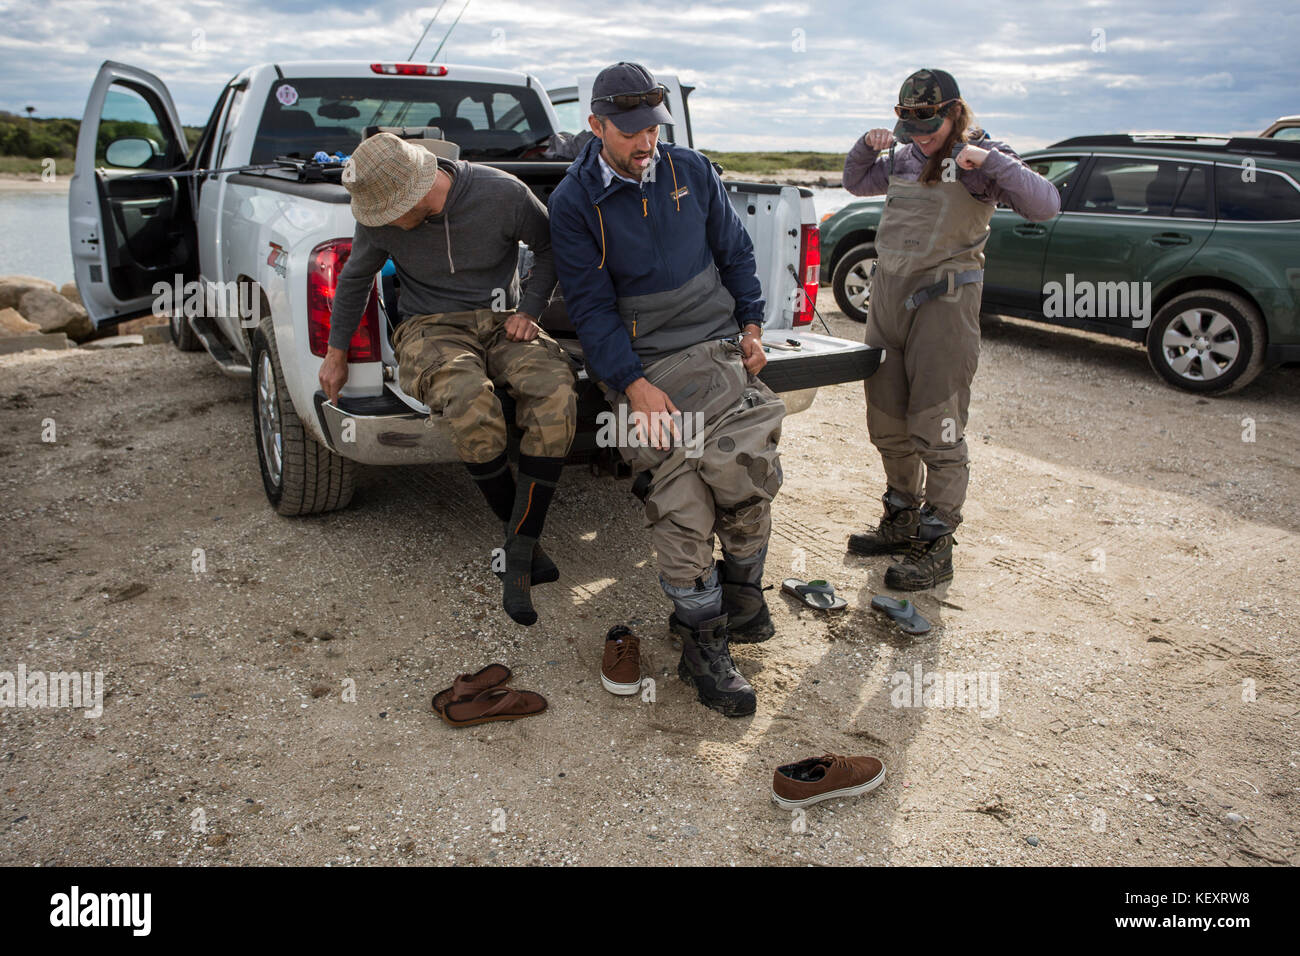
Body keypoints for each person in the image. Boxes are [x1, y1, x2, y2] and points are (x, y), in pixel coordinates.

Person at [548, 62, 784, 717]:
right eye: (628, 131)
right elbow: (592, 310)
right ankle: (703, 643)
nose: (644, 142)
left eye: (652, 127)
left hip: (716, 348)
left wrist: (753, 323)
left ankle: (738, 605)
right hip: (642, 363)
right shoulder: (573, 204)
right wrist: (632, 385)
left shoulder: (693, 170)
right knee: (682, 501)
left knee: (744, 470)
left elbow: (736, 253)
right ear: (595, 126)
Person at [320, 132, 577, 626]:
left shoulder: (502, 192)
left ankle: (518, 549)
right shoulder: (379, 215)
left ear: (417, 192)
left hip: (504, 318)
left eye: (390, 215)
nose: (383, 226)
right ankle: (523, 544)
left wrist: (530, 308)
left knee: (556, 390)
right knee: (467, 398)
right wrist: (336, 354)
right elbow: (355, 278)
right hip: (429, 326)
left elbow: (550, 249)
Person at [842, 69, 1059, 589]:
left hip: (945, 301)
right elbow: (855, 181)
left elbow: (1046, 205)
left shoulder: (981, 157)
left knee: (936, 423)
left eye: (930, 126)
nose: (920, 137)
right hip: (889, 297)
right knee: (887, 419)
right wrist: (864, 147)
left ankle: (936, 546)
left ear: (954, 111)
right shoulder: (900, 156)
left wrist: (991, 162)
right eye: (910, 126)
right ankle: (900, 519)